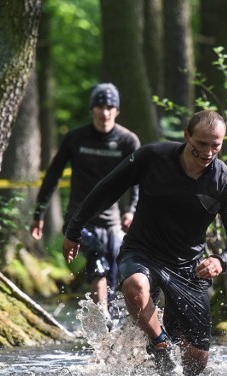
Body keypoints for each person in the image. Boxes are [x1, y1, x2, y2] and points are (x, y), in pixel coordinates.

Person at [61, 110, 227, 376]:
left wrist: (221, 261)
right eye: (201, 144)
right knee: (136, 285)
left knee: (195, 365)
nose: (208, 152)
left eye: (215, 145)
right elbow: (106, 189)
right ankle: (159, 343)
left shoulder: (224, 184)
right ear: (187, 136)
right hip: (142, 251)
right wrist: (74, 229)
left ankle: (167, 349)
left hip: (188, 266)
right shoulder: (153, 157)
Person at [30, 83, 140, 318]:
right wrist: (39, 214)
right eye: (100, 106)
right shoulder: (75, 139)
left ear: (117, 110)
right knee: (98, 257)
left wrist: (131, 211)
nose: (105, 112)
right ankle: (102, 323)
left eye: (110, 107)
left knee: (119, 271)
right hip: (78, 221)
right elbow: (52, 177)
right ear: (92, 109)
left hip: (112, 223)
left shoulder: (127, 141)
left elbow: (139, 182)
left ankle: (116, 324)